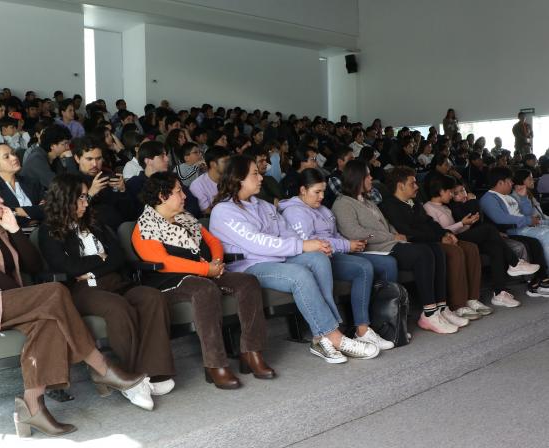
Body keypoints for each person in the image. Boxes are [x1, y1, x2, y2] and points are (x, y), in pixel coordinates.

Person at [0, 196, 149, 437]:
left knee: (48, 322)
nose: (1, 202)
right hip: (6, 300)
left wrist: (15, 230)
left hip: (11, 303)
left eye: (0, 198)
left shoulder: (3, 231)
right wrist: (29, 298)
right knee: (56, 292)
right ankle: (102, 368)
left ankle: (31, 406)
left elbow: (34, 266)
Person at [210, 155, 379, 362]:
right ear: (238, 178)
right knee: (299, 274)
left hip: (277, 259)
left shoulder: (264, 206)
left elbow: (287, 232)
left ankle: (321, 337)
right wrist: (302, 245)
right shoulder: (224, 211)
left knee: (317, 258)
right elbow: (256, 242)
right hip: (249, 265)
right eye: (255, 173)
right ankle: (334, 336)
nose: (261, 177)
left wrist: (310, 247)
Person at [39, 173, 176, 408]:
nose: (85, 202)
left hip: (114, 281)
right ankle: (131, 381)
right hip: (82, 290)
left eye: (85, 197)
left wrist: (94, 267)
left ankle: (153, 373)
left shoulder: (94, 222)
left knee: (151, 297)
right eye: (80, 198)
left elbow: (118, 257)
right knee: (116, 307)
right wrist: (99, 259)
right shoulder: (49, 230)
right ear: (65, 199)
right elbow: (67, 268)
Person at [131, 172, 274, 388]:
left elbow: (213, 241)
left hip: (205, 272)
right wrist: (206, 269)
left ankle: (251, 353)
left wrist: (215, 263)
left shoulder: (185, 217)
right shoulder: (145, 227)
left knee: (248, 282)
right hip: (169, 282)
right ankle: (215, 364)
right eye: (179, 191)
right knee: (204, 289)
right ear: (162, 196)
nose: (184, 196)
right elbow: (165, 263)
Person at [332, 160, 463, 332]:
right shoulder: (343, 204)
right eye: (368, 175)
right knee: (422, 253)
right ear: (358, 178)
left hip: (390, 243)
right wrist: (391, 236)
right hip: (375, 249)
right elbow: (354, 232)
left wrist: (395, 235)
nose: (372, 178)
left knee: (436, 249)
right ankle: (429, 314)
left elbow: (386, 224)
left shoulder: (367, 201)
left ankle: (441, 307)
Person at [279, 168, 394, 350]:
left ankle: (385, 323)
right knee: (363, 267)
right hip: (315, 258)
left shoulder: (323, 209)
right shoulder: (294, 212)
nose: (322, 196)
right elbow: (312, 243)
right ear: (302, 190)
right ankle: (362, 330)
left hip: (335, 253)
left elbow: (334, 234)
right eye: (317, 192)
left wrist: (349, 242)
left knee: (386, 264)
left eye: (323, 191)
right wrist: (346, 245)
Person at [380, 166, 485, 319]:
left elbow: (429, 222)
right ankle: (457, 304)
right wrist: (438, 238)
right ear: (400, 186)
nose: (417, 187)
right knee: (453, 251)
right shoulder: (389, 205)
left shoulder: (414, 202)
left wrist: (445, 233)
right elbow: (407, 233)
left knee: (470, 248)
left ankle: (472, 299)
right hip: (416, 244)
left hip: (431, 238)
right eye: (412, 183)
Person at [424, 174, 539, 306]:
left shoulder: (445, 206)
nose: (451, 194)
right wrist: (462, 223)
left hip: (460, 235)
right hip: (448, 241)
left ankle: (500, 293)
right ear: (441, 191)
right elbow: (441, 232)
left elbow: (460, 227)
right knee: (488, 229)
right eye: (450, 191)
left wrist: (467, 223)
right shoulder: (429, 207)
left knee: (494, 246)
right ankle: (514, 263)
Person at [477, 167, 549, 297]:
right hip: (511, 230)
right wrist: (527, 220)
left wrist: (524, 198)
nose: (512, 184)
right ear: (500, 183)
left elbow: (526, 213)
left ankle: (543, 278)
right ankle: (542, 279)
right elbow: (500, 219)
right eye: (509, 181)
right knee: (544, 236)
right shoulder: (489, 199)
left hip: (522, 226)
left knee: (544, 233)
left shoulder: (508, 197)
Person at [72, 136, 136, 230]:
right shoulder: (71, 182)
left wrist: (123, 191)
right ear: (77, 159)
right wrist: (90, 194)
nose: (94, 164)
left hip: (123, 228)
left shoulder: (110, 176)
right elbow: (72, 215)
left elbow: (130, 213)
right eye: (89, 159)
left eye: (98, 159)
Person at [126, 140, 201, 218]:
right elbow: (137, 213)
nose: (167, 159)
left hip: (183, 222)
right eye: (162, 156)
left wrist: (182, 217)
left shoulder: (172, 178)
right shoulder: (135, 184)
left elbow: (192, 202)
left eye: (166, 155)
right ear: (148, 161)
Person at [20, 124, 76, 190]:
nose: (68, 147)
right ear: (52, 146)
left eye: (68, 143)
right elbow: (59, 186)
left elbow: (72, 182)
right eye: (65, 144)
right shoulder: (36, 159)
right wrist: (69, 158)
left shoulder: (55, 157)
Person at [0, 143, 44, 227]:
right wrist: (35, 211)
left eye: (13, 153)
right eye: (6, 157)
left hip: (42, 229)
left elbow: (48, 208)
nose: (14, 157)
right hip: (14, 236)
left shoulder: (32, 182)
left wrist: (15, 211)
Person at [189, 146, 231, 214]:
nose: (229, 165)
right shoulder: (198, 185)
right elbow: (207, 211)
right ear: (213, 164)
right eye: (225, 162)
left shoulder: (231, 178)